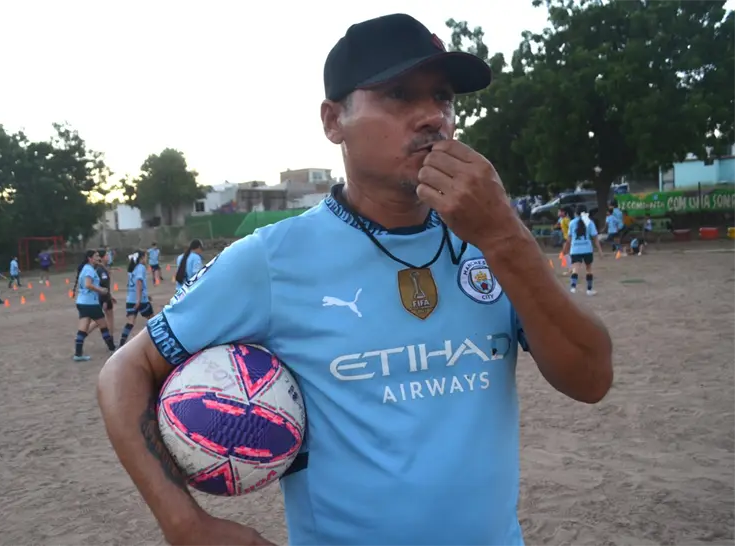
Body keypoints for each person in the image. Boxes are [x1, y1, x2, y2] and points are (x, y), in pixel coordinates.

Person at [97, 13, 613, 546]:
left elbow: (591, 378)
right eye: (398, 94)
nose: (433, 116)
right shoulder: (270, 261)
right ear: (332, 120)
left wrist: (505, 236)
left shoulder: (489, 240)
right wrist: (185, 524)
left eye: (443, 97)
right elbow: (124, 372)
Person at [72, 250, 117, 361]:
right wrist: (101, 290)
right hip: (90, 303)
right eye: (96, 256)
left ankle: (78, 354)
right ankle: (112, 349)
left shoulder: (86, 268)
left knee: (83, 328)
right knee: (103, 326)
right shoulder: (89, 270)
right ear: (90, 258)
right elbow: (88, 284)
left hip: (82, 302)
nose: (98, 257)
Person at [566, 205, 604, 295]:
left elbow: (569, 238)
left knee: (575, 269)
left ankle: (573, 287)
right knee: (589, 269)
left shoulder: (572, 223)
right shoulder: (590, 222)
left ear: (576, 213)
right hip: (587, 249)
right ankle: (589, 290)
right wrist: (600, 250)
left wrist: (567, 250)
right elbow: (595, 237)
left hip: (575, 249)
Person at [119, 251, 154, 347]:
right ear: (142, 258)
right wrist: (139, 299)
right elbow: (139, 283)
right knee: (152, 320)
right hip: (140, 300)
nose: (146, 259)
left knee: (130, 323)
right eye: (146, 257)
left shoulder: (132, 269)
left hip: (130, 299)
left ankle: (121, 343)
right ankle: (153, 342)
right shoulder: (141, 267)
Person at [87, 250, 117, 335]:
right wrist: (104, 300)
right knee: (100, 320)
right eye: (107, 255)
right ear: (102, 258)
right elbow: (101, 286)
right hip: (103, 298)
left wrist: (110, 296)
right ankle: (83, 334)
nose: (108, 257)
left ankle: (111, 338)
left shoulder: (103, 268)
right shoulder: (100, 270)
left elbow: (106, 287)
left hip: (106, 297)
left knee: (107, 319)